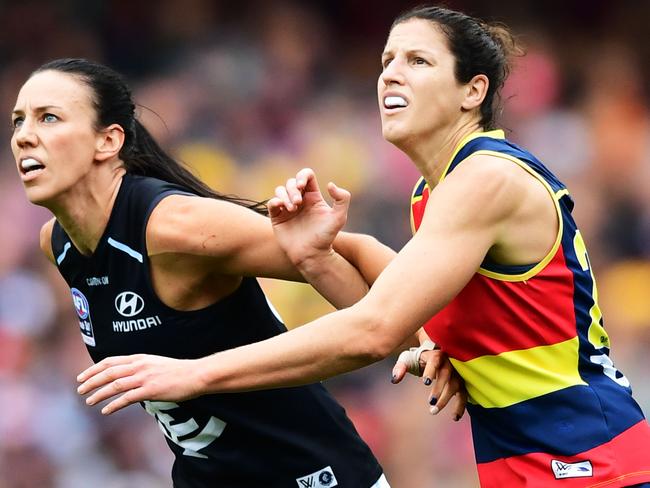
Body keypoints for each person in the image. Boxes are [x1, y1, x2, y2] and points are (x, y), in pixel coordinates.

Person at [75, 5, 650, 488]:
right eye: (386, 61)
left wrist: (193, 374)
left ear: (473, 91)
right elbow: (401, 327)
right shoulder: (436, 191)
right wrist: (317, 255)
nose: (390, 75)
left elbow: (373, 330)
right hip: (533, 462)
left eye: (417, 61)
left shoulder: (486, 179)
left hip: (589, 460)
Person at [9, 57, 425, 487]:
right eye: (18, 122)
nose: (24, 137)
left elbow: (357, 249)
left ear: (108, 140)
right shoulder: (57, 243)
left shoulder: (174, 227)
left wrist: (431, 340)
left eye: (49, 118)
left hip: (312, 473)